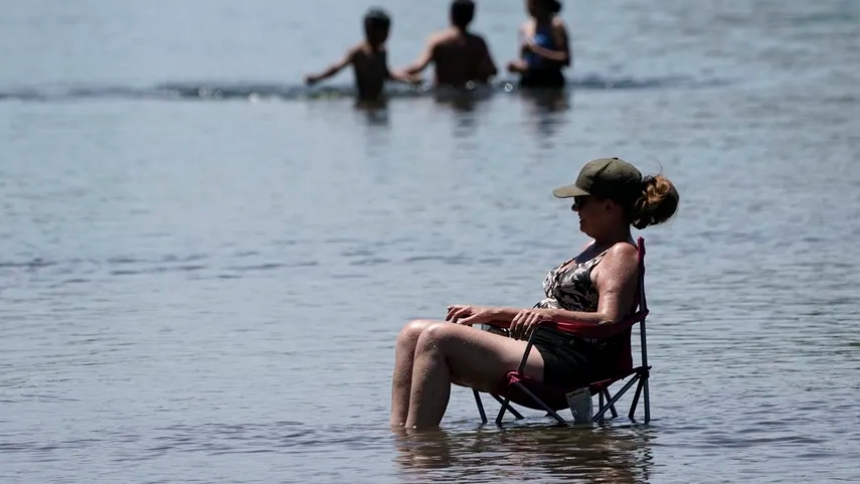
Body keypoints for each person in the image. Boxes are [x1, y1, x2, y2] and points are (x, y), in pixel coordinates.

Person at [390, 157, 679, 430]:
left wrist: (533, 315)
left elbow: (607, 320)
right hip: (540, 346)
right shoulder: (594, 248)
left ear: (608, 206)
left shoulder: (620, 254)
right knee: (412, 332)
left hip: (570, 362)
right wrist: (496, 313)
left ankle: (421, 451)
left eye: (580, 201)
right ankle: (400, 439)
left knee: (437, 337)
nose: (573, 209)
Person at [304, 8, 419, 101]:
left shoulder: (382, 51)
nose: (387, 35)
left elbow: (386, 74)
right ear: (369, 30)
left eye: (388, 31)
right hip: (362, 99)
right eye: (383, 31)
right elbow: (337, 67)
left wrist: (407, 79)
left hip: (379, 98)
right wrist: (318, 77)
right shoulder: (358, 52)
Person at [401, 0, 498, 88]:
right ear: (472, 17)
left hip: (441, 93)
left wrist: (396, 74)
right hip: (469, 92)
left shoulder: (438, 40)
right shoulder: (478, 42)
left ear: (451, 15)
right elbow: (492, 70)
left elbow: (418, 66)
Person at [507, 0, 572, 89]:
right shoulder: (525, 27)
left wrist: (537, 50)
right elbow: (524, 61)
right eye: (528, 4)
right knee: (510, 90)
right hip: (528, 81)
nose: (531, 8)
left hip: (551, 80)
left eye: (534, 4)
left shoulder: (556, 26)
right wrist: (516, 67)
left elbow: (565, 59)